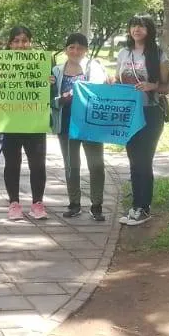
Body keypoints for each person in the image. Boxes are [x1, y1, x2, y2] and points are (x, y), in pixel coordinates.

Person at [0, 26, 48, 221]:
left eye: (24, 40)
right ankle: (14, 203)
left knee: (37, 164)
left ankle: (37, 203)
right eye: (16, 41)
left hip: (35, 122)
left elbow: (49, 93)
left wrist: (51, 82)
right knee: (12, 163)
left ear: (30, 42)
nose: (21, 45)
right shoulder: (1, 63)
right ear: (10, 44)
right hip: (9, 122)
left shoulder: (41, 63)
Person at [116, 15, 169, 226]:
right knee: (133, 160)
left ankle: (144, 208)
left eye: (141, 26)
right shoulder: (124, 53)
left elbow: (166, 86)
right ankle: (135, 206)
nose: (136, 29)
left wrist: (152, 86)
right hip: (128, 112)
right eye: (133, 26)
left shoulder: (158, 54)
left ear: (149, 30)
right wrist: (111, 81)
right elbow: (118, 79)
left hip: (150, 112)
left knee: (144, 160)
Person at [52, 33, 109, 222]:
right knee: (71, 165)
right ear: (66, 49)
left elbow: (101, 92)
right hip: (66, 125)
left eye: (80, 48)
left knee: (96, 165)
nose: (75, 51)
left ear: (86, 50)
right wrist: (61, 99)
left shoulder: (94, 69)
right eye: (71, 47)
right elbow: (50, 99)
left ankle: (97, 205)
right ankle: (74, 203)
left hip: (91, 125)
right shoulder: (56, 71)